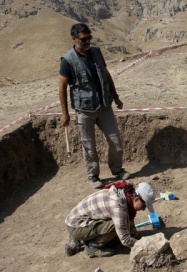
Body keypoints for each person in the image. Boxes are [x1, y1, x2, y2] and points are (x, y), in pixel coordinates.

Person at [59, 23, 129, 189]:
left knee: (116, 141)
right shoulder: (67, 60)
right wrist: (65, 113)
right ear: (74, 39)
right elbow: (62, 87)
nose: (87, 41)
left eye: (89, 38)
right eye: (84, 39)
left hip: (104, 106)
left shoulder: (96, 52)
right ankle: (93, 176)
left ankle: (117, 169)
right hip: (84, 111)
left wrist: (116, 96)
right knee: (89, 146)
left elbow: (106, 74)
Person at [64, 181, 156, 258]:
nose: (144, 209)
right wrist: (143, 246)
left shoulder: (124, 193)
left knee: (121, 225)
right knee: (114, 226)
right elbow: (124, 239)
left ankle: (82, 238)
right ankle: (91, 247)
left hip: (78, 219)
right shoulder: (119, 206)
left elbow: (129, 218)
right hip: (76, 225)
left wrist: (135, 235)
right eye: (144, 206)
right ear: (136, 199)